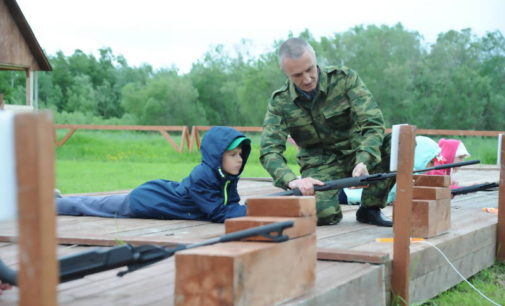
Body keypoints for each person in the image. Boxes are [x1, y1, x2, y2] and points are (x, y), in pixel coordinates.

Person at [260, 37, 394, 227]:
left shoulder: (345, 79)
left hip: (356, 153)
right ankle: (319, 204)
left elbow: (372, 122)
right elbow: (269, 150)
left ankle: (370, 209)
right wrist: (291, 181)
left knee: (397, 144)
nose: (306, 79)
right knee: (322, 215)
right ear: (286, 73)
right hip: (319, 164)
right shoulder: (280, 102)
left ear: (316, 60)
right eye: (297, 75)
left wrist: (365, 159)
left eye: (310, 69)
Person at [57, 126, 251, 223]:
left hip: (159, 198)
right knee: (97, 207)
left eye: (240, 154)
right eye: (233, 155)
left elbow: (231, 205)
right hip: (149, 201)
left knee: (100, 204)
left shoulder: (226, 177)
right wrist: (253, 211)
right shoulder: (203, 175)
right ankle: (53, 204)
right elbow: (217, 213)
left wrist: (252, 208)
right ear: (216, 156)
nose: (239, 159)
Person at [341, 136, 442, 205]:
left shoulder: (411, 172)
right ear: (421, 157)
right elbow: (400, 194)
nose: (431, 166)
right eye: (431, 161)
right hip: (348, 196)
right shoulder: (403, 171)